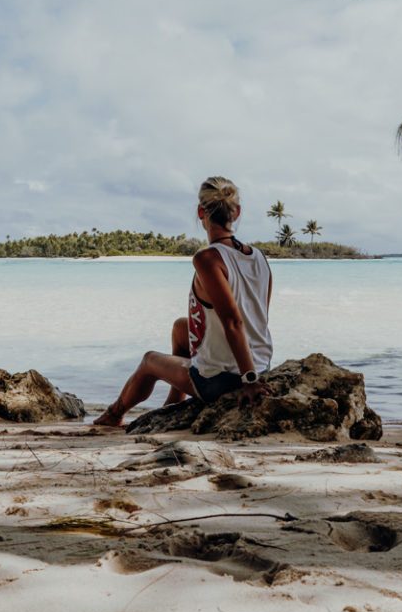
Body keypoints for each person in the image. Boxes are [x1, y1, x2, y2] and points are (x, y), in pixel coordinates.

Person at [93, 176, 273, 426]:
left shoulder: (208, 259)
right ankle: (172, 405)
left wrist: (249, 381)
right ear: (237, 212)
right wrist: (254, 371)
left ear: (201, 212)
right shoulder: (258, 257)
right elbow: (258, 316)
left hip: (224, 378)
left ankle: (113, 416)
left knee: (149, 361)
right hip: (261, 363)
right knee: (180, 328)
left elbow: (233, 321)